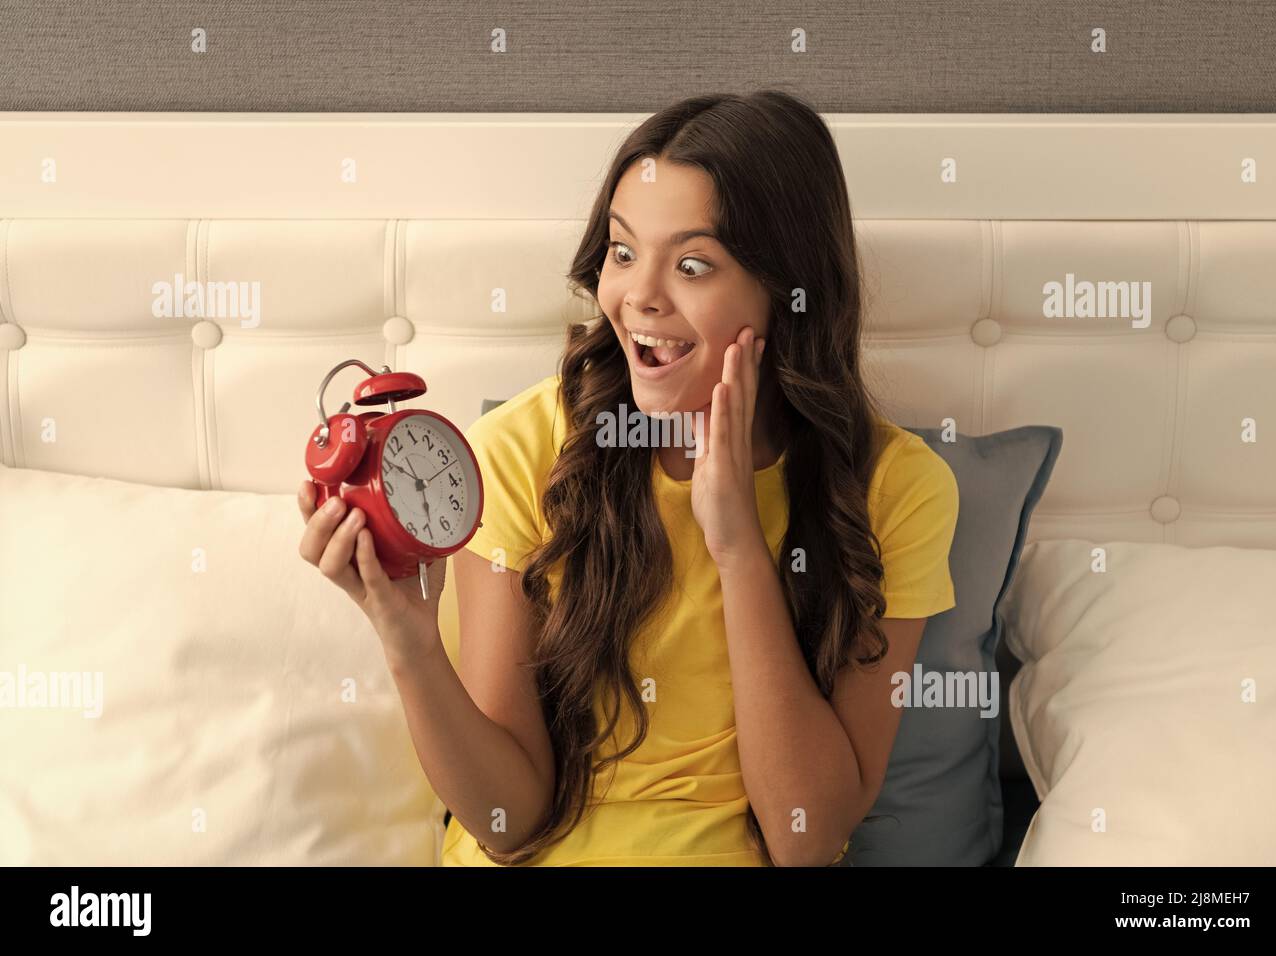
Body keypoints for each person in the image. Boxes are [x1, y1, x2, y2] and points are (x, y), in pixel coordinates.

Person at [298, 89, 959, 866]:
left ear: (787, 292)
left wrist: (739, 545)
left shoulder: (898, 488)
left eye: (691, 264)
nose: (638, 296)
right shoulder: (517, 450)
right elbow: (509, 823)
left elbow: (805, 838)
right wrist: (408, 641)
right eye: (621, 251)